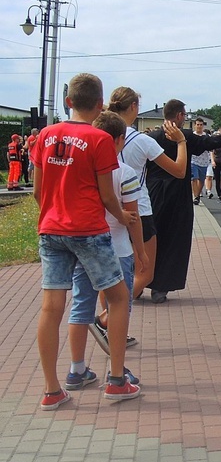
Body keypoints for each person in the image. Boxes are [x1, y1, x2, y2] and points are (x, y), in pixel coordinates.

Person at [30, 73, 139, 410]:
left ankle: (52, 389)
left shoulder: (45, 136)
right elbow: (108, 196)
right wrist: (122, 218)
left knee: (52, 307)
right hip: (89, 229)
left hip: (51, 229)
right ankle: (117, 380)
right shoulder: (99, 139)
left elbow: (37, 190)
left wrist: (52, 213)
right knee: (118, 298)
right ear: (99, 103)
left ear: (68, 102)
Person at [66, 111, 149, 391]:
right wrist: (141, 251)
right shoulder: (124, 172)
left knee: (81, 306)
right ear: (119, 140)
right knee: (119, 308)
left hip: (82, 242)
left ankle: (76, 369)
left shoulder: (82, 168)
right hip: (118, 247)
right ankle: (117, 373)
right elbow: (132, 217)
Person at [146, 101, 221, 303]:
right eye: (184, 115)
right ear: (178, 116)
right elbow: (213, 141)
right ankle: (161, 287)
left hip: (152, 194)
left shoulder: (151, 137)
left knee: (149, 238)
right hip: (176, 194)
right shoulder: (183, 137)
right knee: (173, 239)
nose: (185, 118)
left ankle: (140, 280)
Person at [105, 86, 189, 303]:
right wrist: (181, 141)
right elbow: (179, 171)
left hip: (107, 206)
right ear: (133, 107)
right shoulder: (142, 140)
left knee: (110, 272)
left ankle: (109, 317)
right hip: (138, 209)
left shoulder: (101, 135)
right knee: (144, 270)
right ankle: (110, 315)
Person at [190, 117, 211, 204]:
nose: (199, 126)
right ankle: (195, 196)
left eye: (201, 125)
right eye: (197, 125)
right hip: (193, 160)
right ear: (195, 125)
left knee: (201, 180)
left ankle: (198, 194)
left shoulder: (206, 136)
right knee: (194, 178)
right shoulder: (191, 136)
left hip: (204, 161)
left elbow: (211, 148)